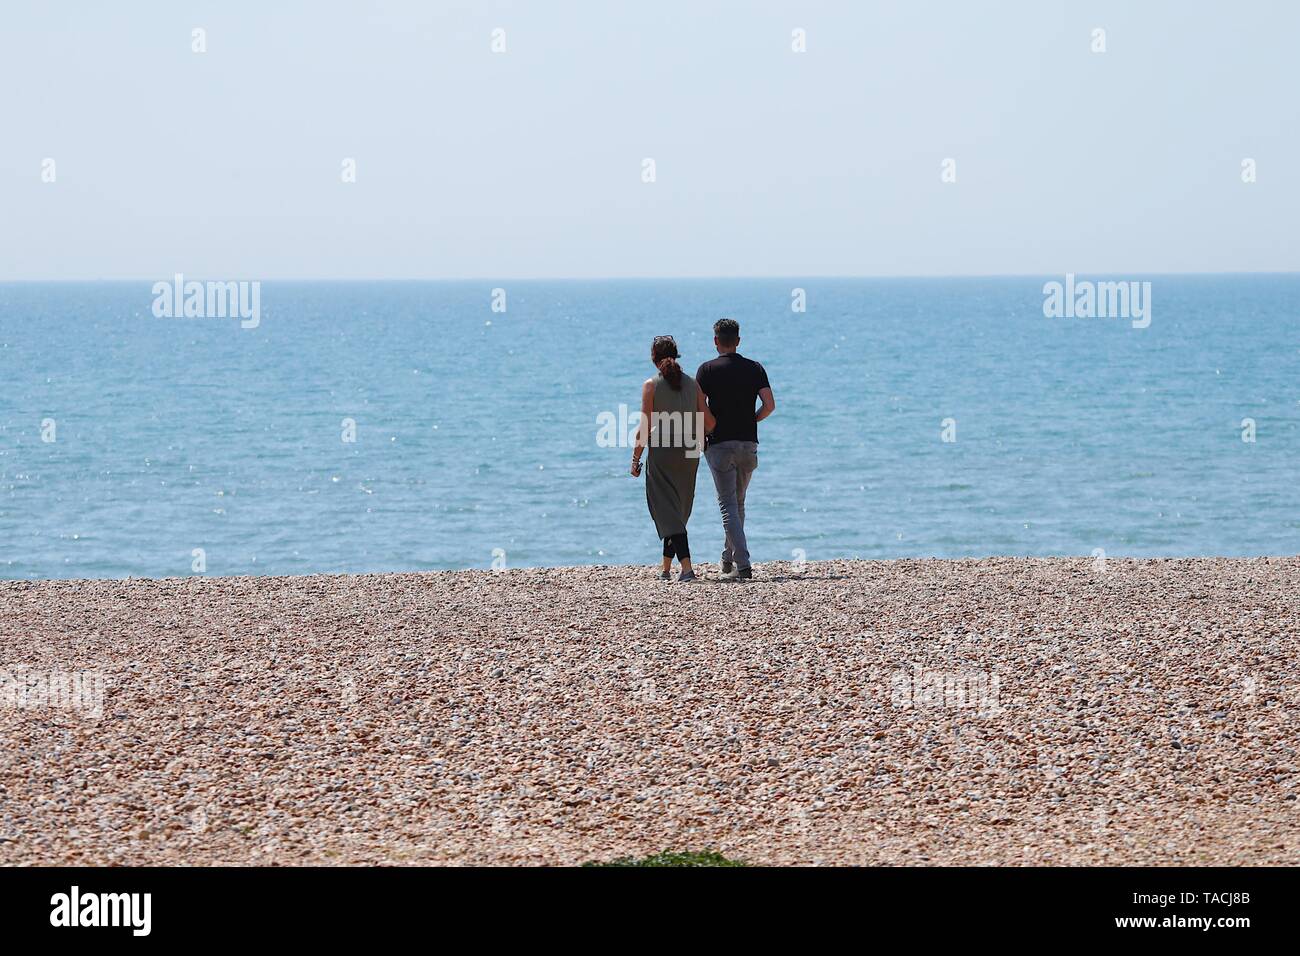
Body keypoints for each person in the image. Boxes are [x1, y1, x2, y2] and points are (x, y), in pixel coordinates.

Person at [695, 318, 775, 581]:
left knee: (728, 504)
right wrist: (753, 419)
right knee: (739, 502)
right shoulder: (755, 368)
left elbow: (699, 406)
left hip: (719, 444)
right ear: (738, 341)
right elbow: (769, 405)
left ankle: (743, 564)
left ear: (716, 341)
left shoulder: (706, 370)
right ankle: (727, 559)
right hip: (748, 444)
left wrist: (711, 424)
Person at [631, 336, 715, 582]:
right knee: (676, 510)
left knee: (667, 510)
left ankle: (687, 569)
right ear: (677, 355)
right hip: (690, 452)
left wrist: (635, 459)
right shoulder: (694, 384)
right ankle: (666, 569)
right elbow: (710, 422)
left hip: (663, 451)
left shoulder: (651, 385)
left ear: (653, 357)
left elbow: (644, 428)